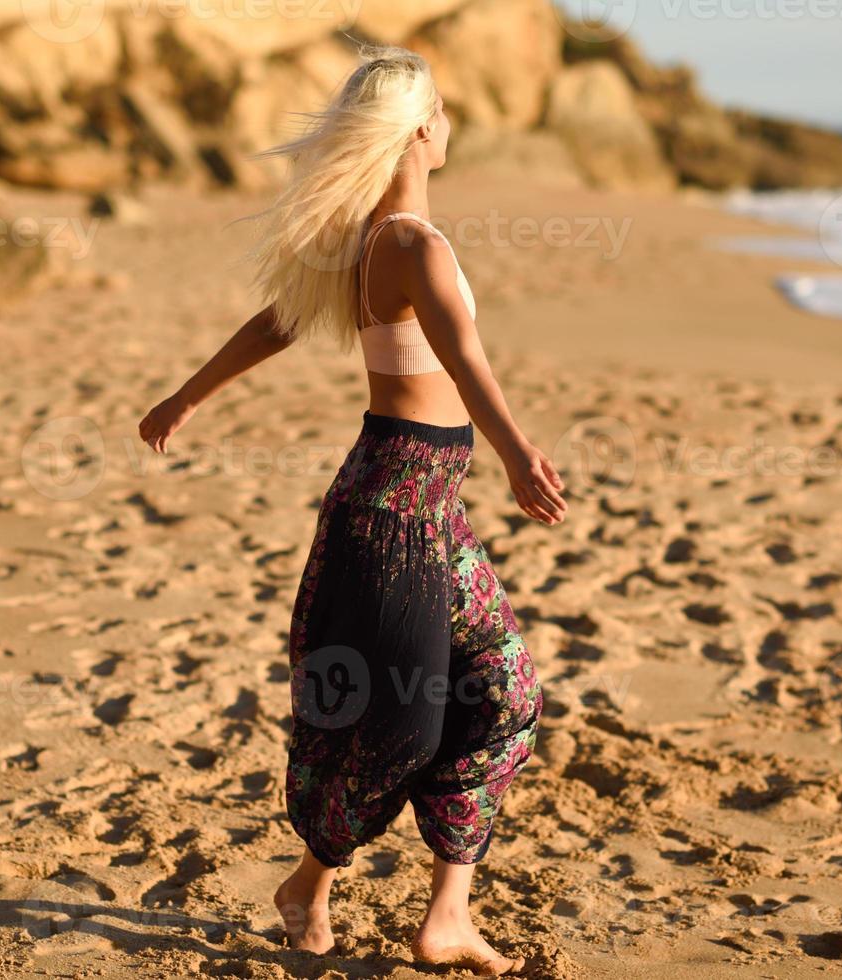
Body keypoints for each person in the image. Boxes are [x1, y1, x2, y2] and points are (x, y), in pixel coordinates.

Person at [139, 45, 566, 976]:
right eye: (442, 110)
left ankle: (446, 916)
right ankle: (307, 883)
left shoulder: (374, 236)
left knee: (504, 695)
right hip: (388, 506)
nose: (449, 124)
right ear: (420, 127)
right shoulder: (406, 240)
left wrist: (185, 397)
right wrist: (513, 447)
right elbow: (460, 356)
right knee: (402, 725)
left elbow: (275, 322)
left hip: (428, 506)